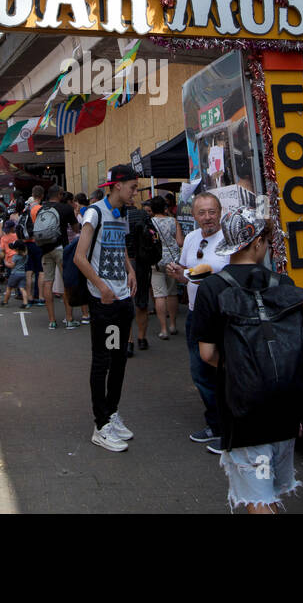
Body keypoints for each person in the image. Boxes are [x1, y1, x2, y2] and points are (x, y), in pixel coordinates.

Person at [194, 202, 303, 513]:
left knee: (257, 499)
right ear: (258, 242)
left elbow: (207, 354)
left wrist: (241, 364)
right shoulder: (284, 284)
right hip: (287, 404)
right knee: (269, 490)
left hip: (242, 406)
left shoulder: (211, 288)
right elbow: (300, 340)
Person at [74, 164, 138, 452]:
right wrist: (101, 287)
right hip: (105, 304)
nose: (135, 192)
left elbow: (120, 245)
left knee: (119, 357)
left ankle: (111, 413)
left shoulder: (121, 213)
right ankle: (100, 425)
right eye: (133, 187)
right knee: (104, 360)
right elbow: (79, 257)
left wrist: (130, 269)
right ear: (117, 186)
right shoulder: (94, 213)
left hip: (122, 300)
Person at [165, 191, 228, 452]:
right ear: (194, 215)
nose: (207, 217)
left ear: (220, 211)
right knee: (200, 374)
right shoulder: (191, 238)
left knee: (225, 372)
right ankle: (215, 424)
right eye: (201, 213)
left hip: (222, 317)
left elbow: (217, 272)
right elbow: (187, 275)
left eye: (212, 211)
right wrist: (177, 273)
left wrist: (187, 273)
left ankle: (229, 430)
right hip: (195, 315)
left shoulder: (229, 239)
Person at [37, 186, 82, 330]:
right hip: (61, 249)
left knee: (48, 283)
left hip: (45, 249)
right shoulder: (65, 208)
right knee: (66, 282)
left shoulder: (41, 209)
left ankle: (52, 321)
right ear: (59, 195)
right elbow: (75, 229)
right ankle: (69, 319)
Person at [125, 203, 157, 353]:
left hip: (124, 262)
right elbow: (152, 235)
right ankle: (142, 338)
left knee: (125, 302)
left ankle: (128, 341)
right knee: (141, 301)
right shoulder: (143, 214)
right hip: (142, 262)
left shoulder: (117, 216)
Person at [147, 196, 181, 339]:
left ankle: (163, 329)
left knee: (159, 295)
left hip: (156, 260)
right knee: (172, 293)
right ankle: (173, 325)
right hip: (172, 261)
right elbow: (179, 241)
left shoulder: (150, 223)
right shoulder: (173, 221)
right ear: (165, 208)